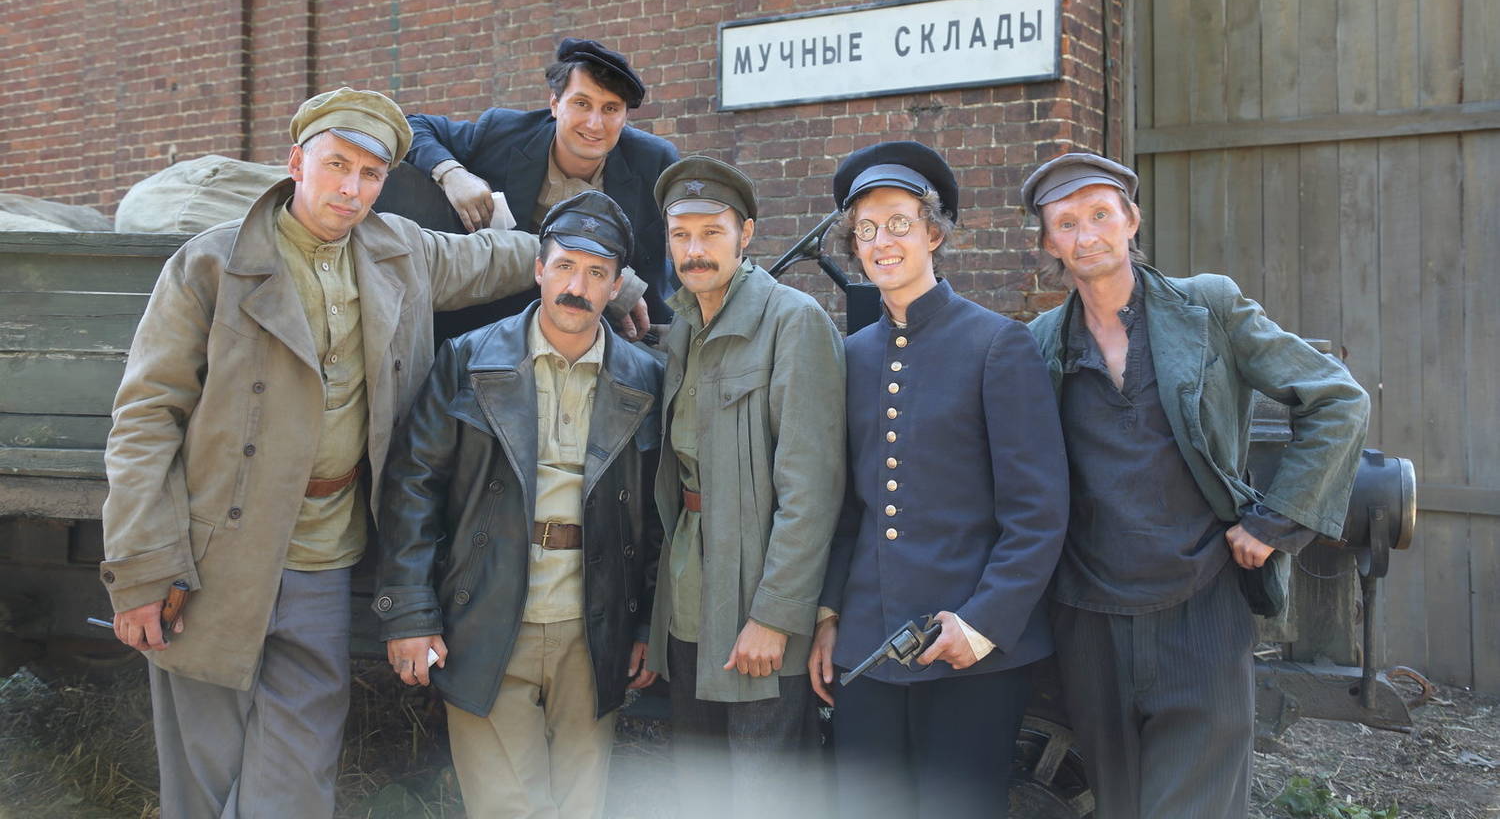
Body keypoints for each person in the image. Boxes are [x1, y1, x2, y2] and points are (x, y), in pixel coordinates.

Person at [99, 87, 543, 819]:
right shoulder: (211, 265)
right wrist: (143, 564)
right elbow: (147, 418)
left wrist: (607, 276)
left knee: (300, 772)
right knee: (203, 769)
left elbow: (500, 257)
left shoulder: (401, 251)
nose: (351, 189)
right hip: (211, 554)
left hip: (323, 555)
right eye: (337, 165)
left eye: (370, 174)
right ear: (296, 162)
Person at [1023, 152, 1371, 819]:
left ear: (1131, 220)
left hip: (1201, 607)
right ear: (1048, 243)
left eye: (1100, 214)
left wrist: (1274, 521)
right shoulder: (1039, 343)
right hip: (1090, 617)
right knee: (1118, 805)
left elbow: (1337, 399)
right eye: (1066, 223)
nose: (1087, 235)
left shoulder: (1207, 306)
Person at [373, 190, 664, 818]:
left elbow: (659, 515)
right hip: (485, 613)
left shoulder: (646, 379)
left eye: (596, 273)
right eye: (564, 266)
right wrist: (410, 613)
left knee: (581, 806)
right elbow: (412, 486)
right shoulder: (469, 360)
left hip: (597, 624)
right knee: (506, 807)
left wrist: (645, 625)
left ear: (616, 286)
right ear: (538, 269)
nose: (576, 287)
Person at [809, 141, 1069, 819]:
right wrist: (831, 616)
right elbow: (848, 509)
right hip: (867, 645)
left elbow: (1037, 512)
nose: (881, 241)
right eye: (866, 229)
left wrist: (983, 624)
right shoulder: (851, 356)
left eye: (899, 222)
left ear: (933, 232)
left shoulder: (997, 344)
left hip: (970, 650)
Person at [643, 156, 846, 817]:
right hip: (690, 594)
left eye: (712, 232)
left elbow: (812, 490)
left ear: (746, 234)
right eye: (681, 235)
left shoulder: (794, 321)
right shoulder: (683, 326)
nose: (694, 250)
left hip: (759, 602)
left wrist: (775, 617)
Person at [395, 36, 679, 334]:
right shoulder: (503, 133)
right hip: (495, 323)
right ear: (555, 103)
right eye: (581, 103)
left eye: (610, 109)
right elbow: (413, 126)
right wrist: (452, 173)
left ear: (625, 116)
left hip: (606, 325)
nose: (595, 124)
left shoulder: (654, 161)